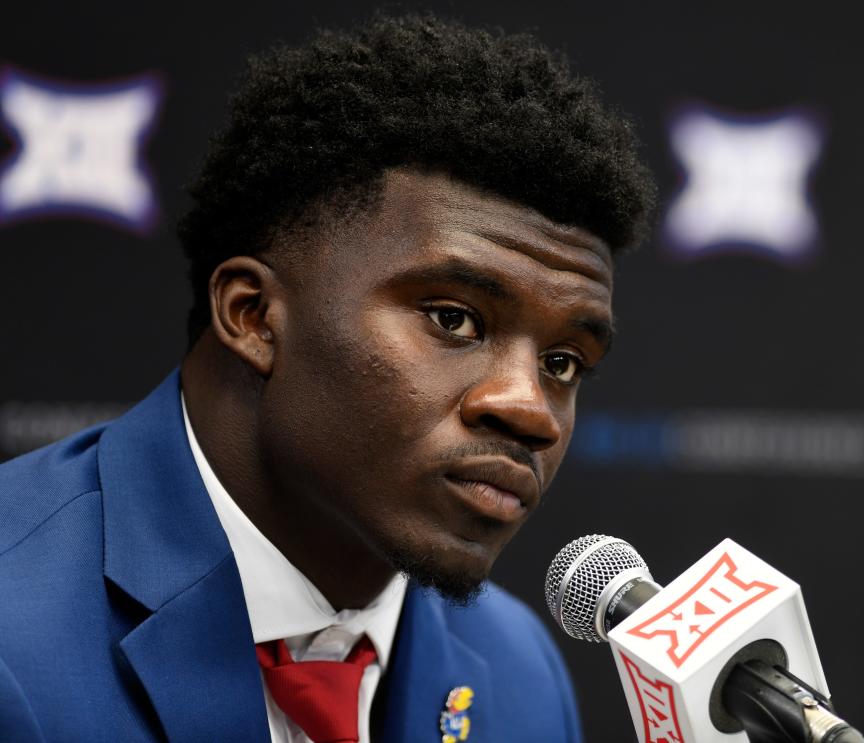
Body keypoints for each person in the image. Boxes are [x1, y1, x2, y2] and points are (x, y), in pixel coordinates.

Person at [0, 14, 655, 743]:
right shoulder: (13, 640)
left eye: (562, 363)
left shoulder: (519, 674)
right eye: (452, 319)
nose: (532, 410)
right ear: (253, 316)